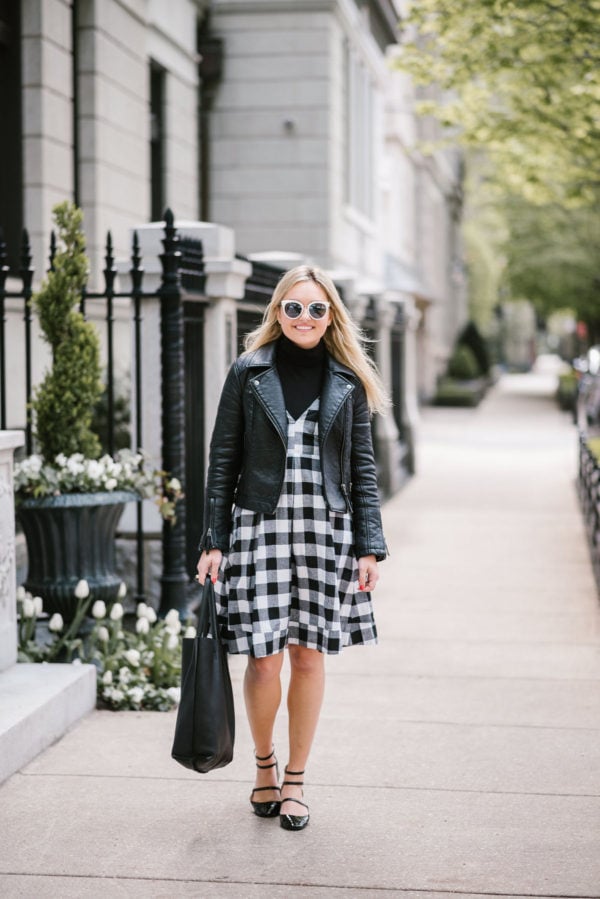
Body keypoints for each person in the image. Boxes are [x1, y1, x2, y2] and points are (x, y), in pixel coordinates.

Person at [196, 265, 388, 831]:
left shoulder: (347, 381)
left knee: (308, 656)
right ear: (277, 312)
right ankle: (264, 764)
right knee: (263, 657)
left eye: (316, 309)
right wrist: (214, 539)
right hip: (260, 528)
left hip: (326, 531)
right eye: (293, 308)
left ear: (331, 316)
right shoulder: (249, 372)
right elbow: (222, 459)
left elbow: (364, 470)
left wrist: (369, 546)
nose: (304, 318)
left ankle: (297, 779)